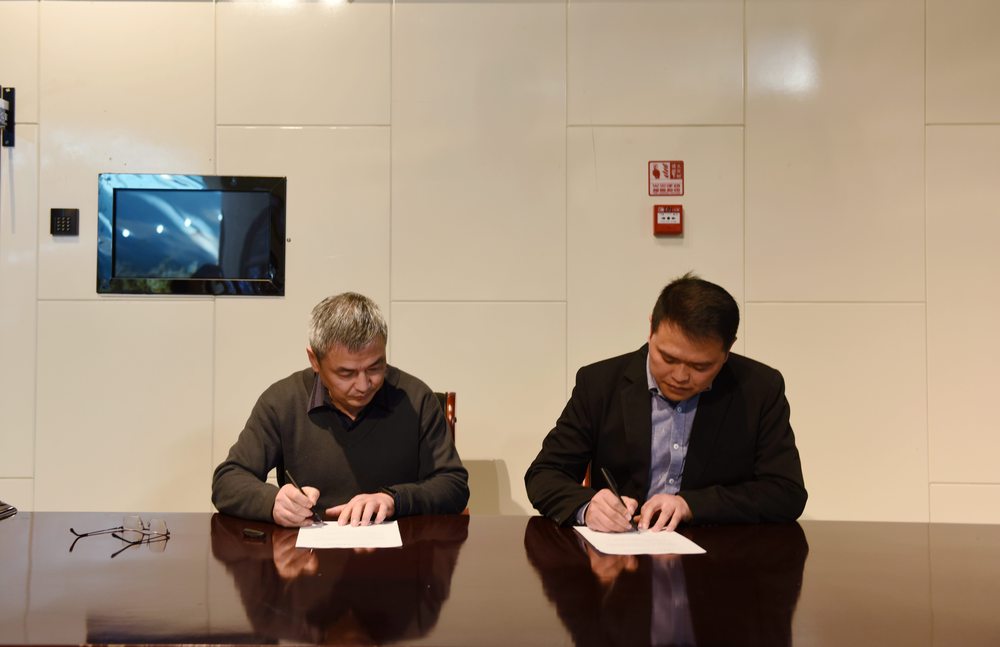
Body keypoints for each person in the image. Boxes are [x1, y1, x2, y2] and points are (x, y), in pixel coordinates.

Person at [524, 273, 806, 533]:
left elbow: (786, 492)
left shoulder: (759, 389)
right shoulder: (600, 383)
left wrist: (691, 505)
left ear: (727, 349)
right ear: (651, 329)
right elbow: (544, 474)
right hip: (621, 554)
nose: (680, 376)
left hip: (717, 553)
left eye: (700, 366)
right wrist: (588, 506)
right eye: (668, 358)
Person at [212, 292, 469, 527]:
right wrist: (272, 502)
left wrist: (394, 500)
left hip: (400, 553)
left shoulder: (415, 398)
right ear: (314, 360)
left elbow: (454, 485)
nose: (364, 385)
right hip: (308, 553)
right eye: (346, 373)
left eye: (375, 367)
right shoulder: (282, 401)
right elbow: (228, 480)